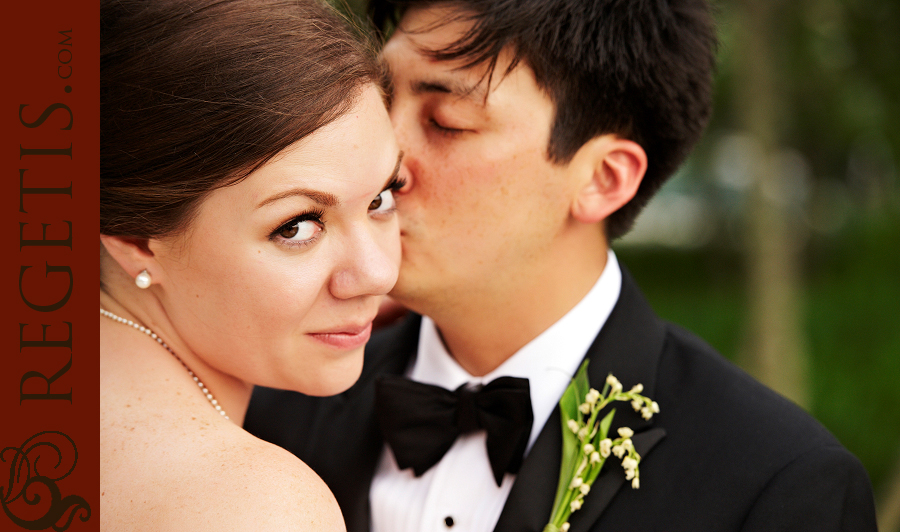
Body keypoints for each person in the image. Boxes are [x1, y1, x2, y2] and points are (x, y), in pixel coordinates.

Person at [245, 0, 879, 530]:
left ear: (603, 178)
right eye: (383, 101)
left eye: (446, 120)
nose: (381, 159)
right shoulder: (272, 410)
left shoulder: (775, 487)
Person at [99, 0, 404, 529]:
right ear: (137, 240)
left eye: (381, 198)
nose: (379, 274)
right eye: (298, 226)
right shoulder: (254, 505)